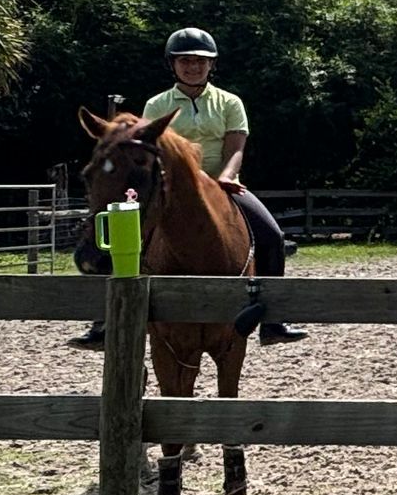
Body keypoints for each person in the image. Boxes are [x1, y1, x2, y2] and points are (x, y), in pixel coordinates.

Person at [68, 27, 306, 349]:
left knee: (271, 235)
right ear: (173, 64)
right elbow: (146, 154)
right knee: (123, 238)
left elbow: (236, 146)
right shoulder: (156, 104)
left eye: (199, 61)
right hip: (171, 189)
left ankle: (273, 320)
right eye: (185, 61)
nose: (192, 67)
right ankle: (106, 320)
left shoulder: (230, 102)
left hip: (222, 182)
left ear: (211, 65)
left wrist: (228, 176)